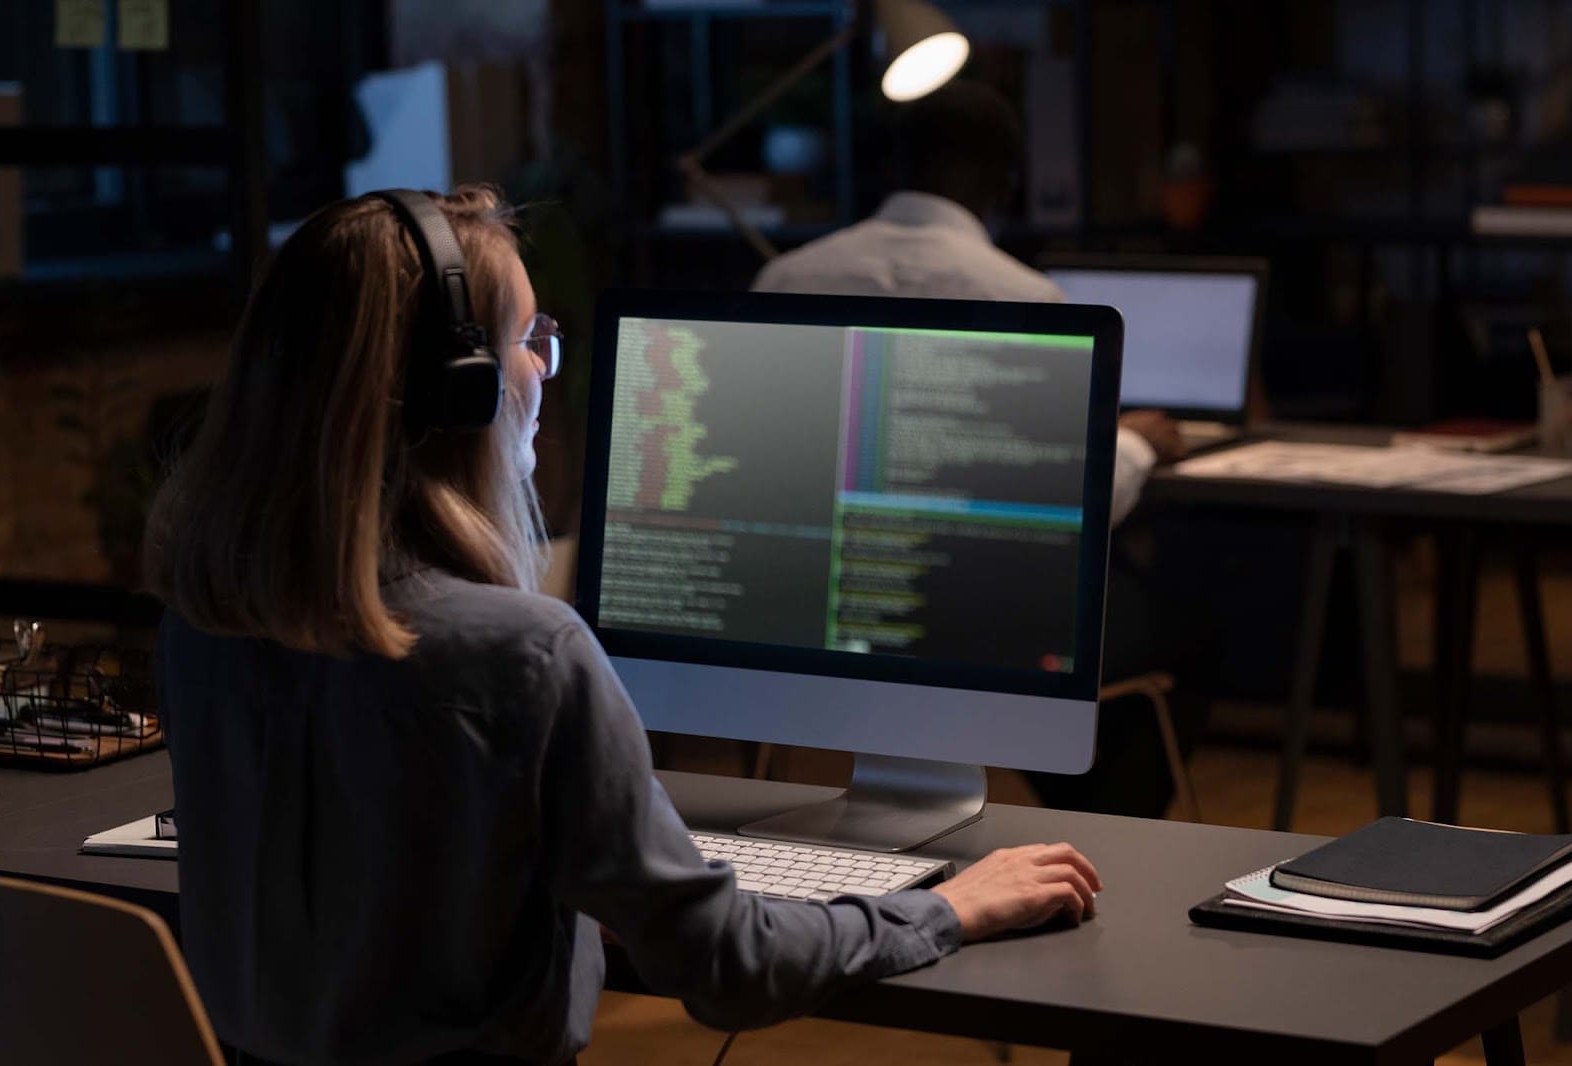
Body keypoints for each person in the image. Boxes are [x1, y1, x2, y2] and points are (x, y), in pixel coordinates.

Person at [142, 185, 1103, 1066]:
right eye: (530, 339)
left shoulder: (204, 628)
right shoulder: (528, 656)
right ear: (463, 387)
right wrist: (942, 907)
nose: (545, 371)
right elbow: (727, 967)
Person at [754, 81, 1215, 819]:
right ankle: (1101, 833)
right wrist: (1133, 442)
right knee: (1180, 632)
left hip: (799, 599)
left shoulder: (784, 277)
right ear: (1001, 182)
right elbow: (1072, 502)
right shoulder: (1024, 295)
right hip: (970, 611)